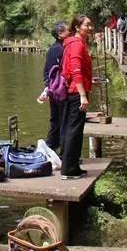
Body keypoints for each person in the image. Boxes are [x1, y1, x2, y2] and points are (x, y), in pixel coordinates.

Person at [60, 14, 93, 180]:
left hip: (75, 90)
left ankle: (73, 166)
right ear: (77, 27)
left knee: (74, 129)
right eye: (87, 25)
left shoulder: (76, 43)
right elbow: (75, 70)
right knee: (74, 129)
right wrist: (82, 95)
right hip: (76, 92)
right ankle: (68, 169)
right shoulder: (77, 44)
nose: (90, 27)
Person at [37, 21, 70, 150]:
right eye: (69, 30)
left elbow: (46, 71)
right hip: (60, 90)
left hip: (54, 89)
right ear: (60, 34)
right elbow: (54, 71)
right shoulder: (60, 49)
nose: (71, 32)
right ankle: (63, 152)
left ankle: (51, 148)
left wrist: (48, 87)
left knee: (56, 121)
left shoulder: (54, 49)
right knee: (62, 122)